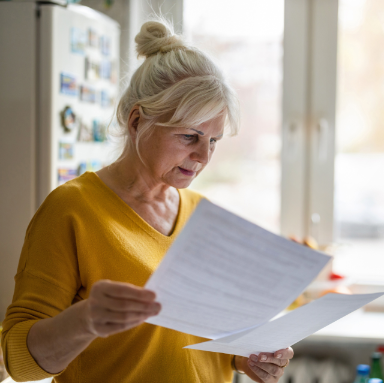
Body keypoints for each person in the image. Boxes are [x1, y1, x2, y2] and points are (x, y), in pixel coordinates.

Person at [1, 18, 293, 383]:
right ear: (138, 120)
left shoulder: (202, 215)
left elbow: (197, 339)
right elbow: (19, 362)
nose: (204, 156)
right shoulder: (71, 210)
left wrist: (245, 357)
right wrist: (86, 320)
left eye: (214, 141)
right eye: (190, 136)